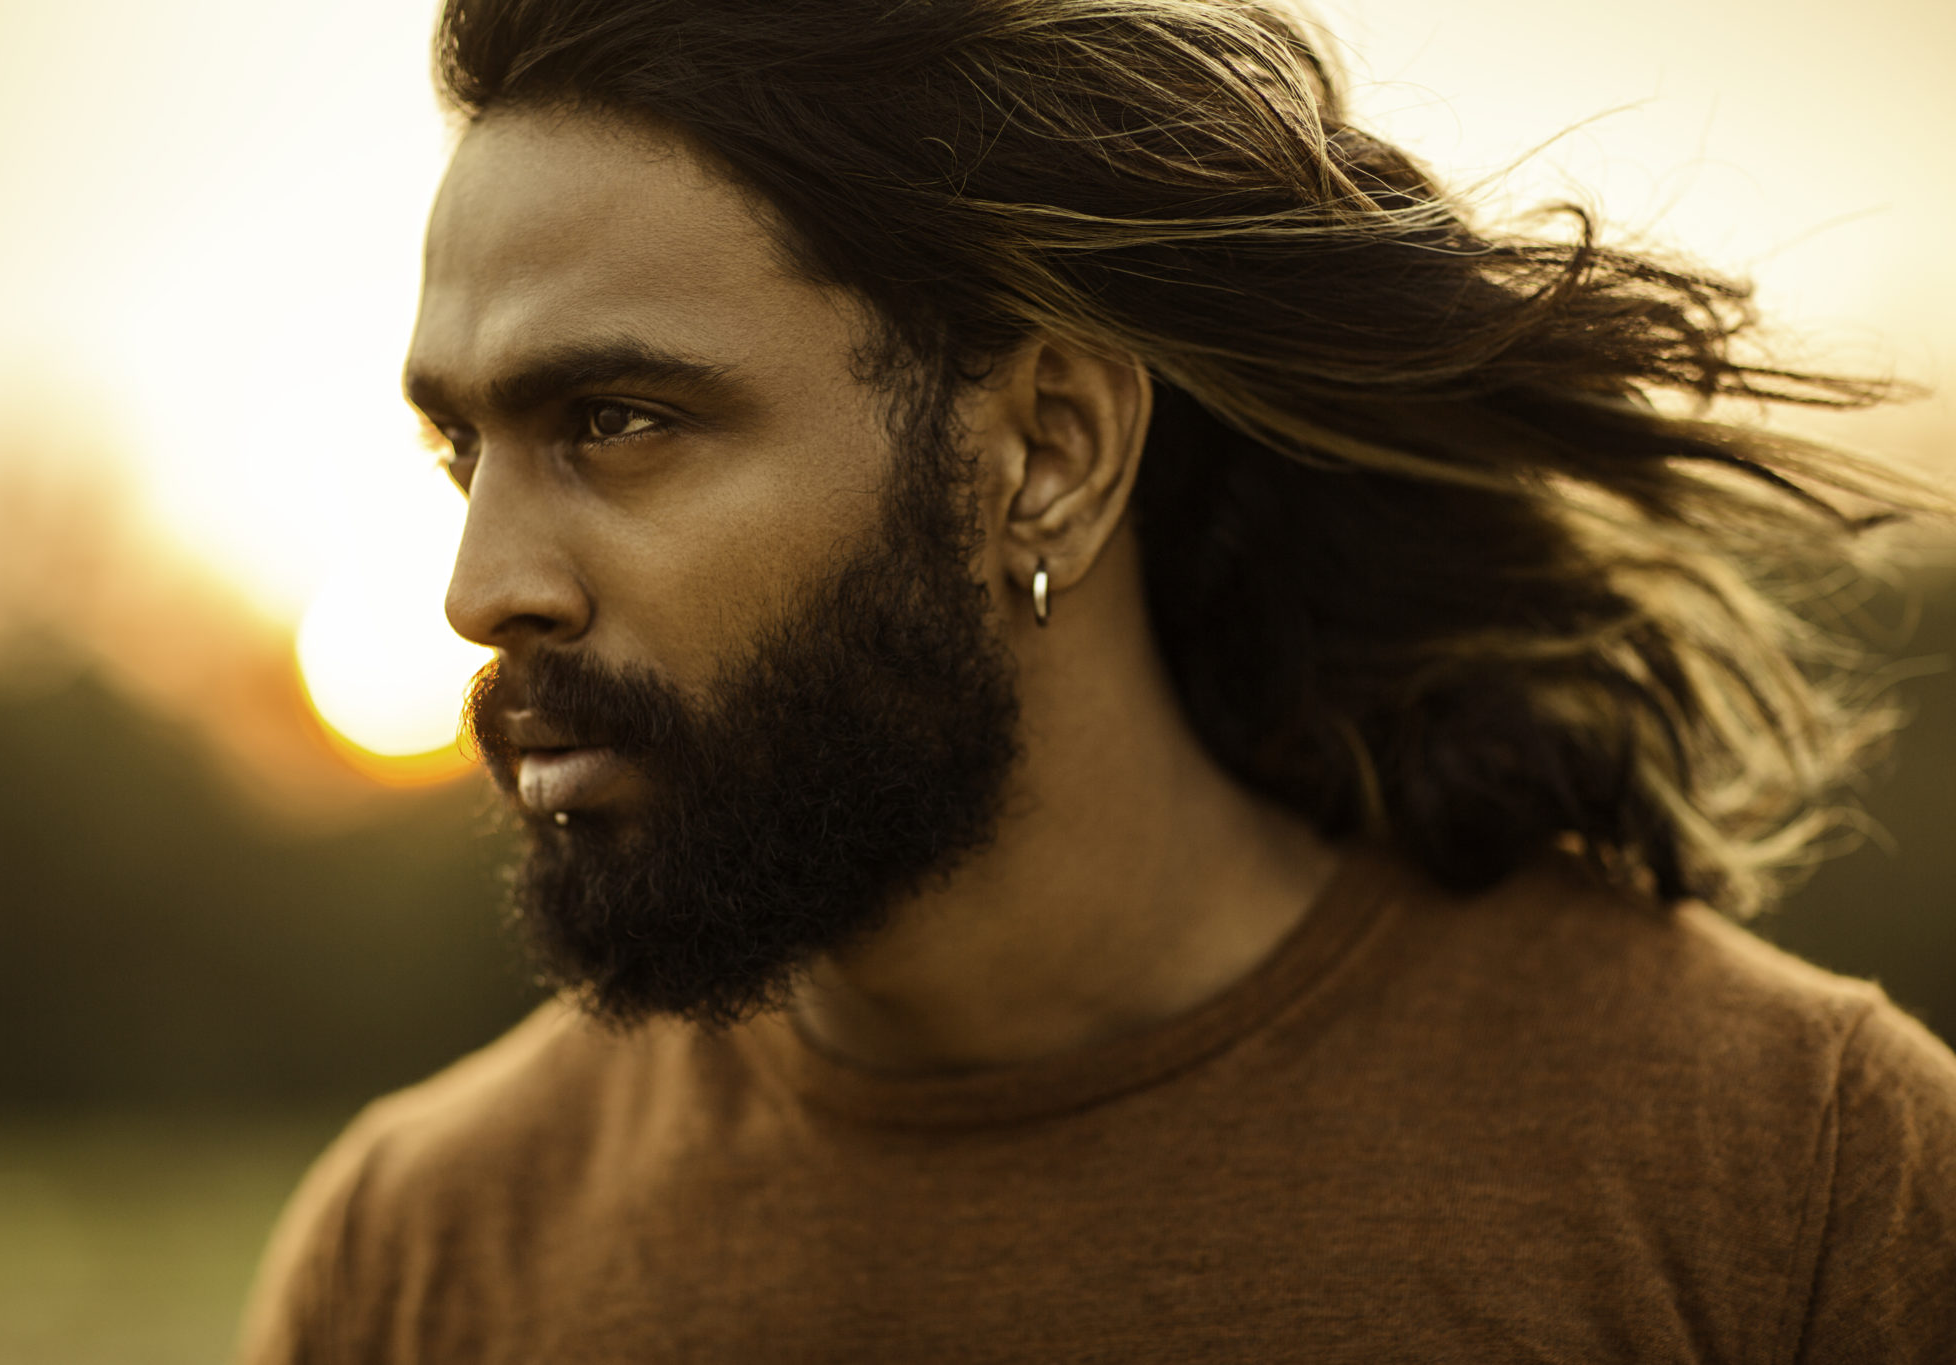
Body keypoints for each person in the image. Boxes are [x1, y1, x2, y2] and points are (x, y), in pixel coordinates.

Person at [239, 1, 1956, 1359]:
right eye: (466, 447)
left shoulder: (1802, 1183)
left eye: (618, 421)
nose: (482, 589)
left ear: (1046, 449)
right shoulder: (414, 1263)